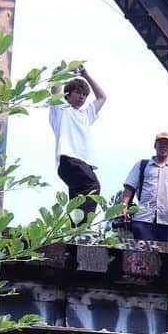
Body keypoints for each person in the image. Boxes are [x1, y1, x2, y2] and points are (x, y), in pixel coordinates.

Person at [48, 66, 106, 224]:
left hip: (83, 163)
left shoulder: (86, 114)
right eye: (78, 93)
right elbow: (55, 84)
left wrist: (87, 74)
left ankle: (73, 231)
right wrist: (67, 70)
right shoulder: (61, 108)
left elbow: (102, 97)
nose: (82, 97)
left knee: (78, 197)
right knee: (92, 185)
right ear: (68, 94)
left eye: (85, 95)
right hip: (69, 159)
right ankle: (83, 228)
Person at [119, 131, 168, 243]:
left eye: (167, 144)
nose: (163, 146)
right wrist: (123, 207)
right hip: (143, 219)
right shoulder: (142, 165)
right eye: (160, 143)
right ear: (155, 146)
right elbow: (129, 188)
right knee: (142, 257)